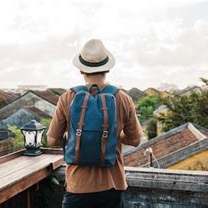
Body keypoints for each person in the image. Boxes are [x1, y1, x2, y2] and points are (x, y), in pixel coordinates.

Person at [47, 39, 142, 208]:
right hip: (113, 185)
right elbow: (135, 140)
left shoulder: (67, 97)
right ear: (107, 68)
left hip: (78, 185)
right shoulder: (123, 98)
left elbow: (52, 140)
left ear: (81, 69)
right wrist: (113, 135)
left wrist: (76, 136)